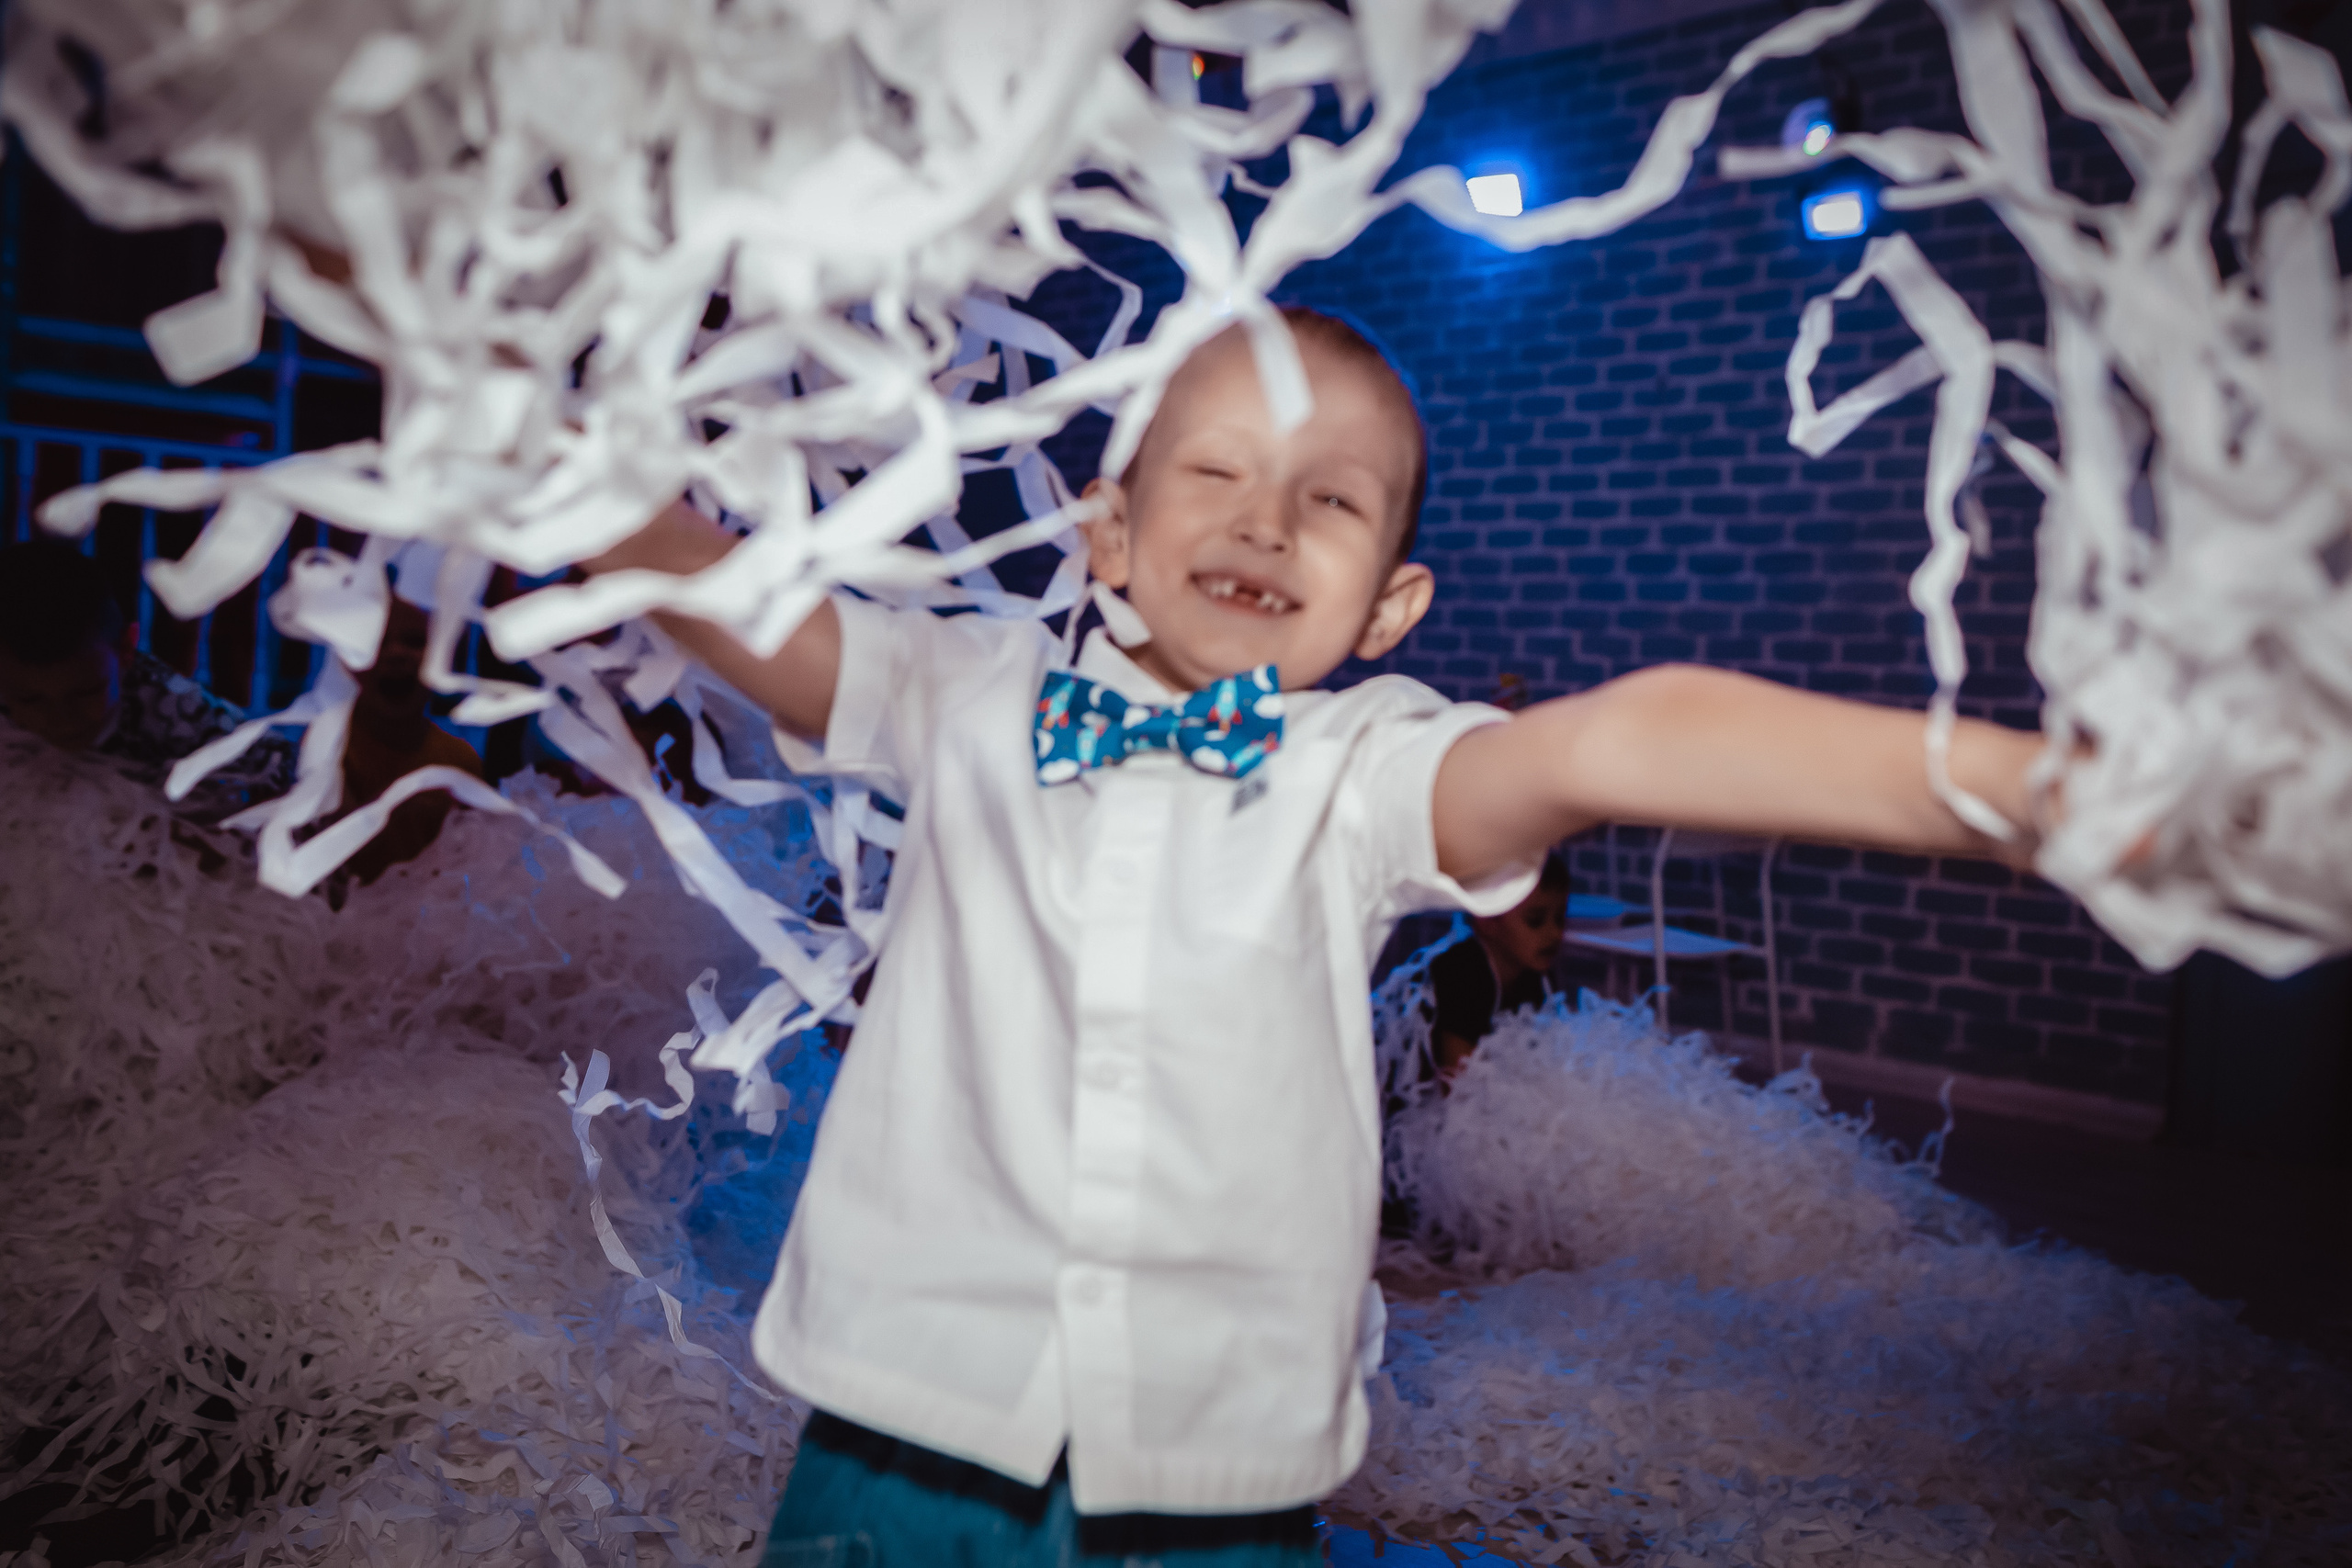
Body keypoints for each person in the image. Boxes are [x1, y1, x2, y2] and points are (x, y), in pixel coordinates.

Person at [585, 307, 2043, 1565]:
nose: (1265, 517)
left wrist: (2044, 791)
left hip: (1215, 1473)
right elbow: (736, 600)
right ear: (1108, 527)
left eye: (1333, 500)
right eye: (1214, 469)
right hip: (902, 1425)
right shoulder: (962, 687)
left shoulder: (1364, 767)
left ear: (1390, 605)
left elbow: (1614, 740)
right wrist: (557, 467)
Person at [0, 536, 294, 826]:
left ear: (127, 649)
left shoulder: (176, 713)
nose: (61, 721)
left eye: (86, 693)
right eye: (30, 699)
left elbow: (280, 763)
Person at [336, 597, 485, 885]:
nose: (396, 653)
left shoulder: (458, 760)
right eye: (377, 642)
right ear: (348, 662)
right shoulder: (330, 754)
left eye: (415, 641)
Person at [1425, 855, 1570, 1079]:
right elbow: (1457, 1083)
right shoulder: (1463, 972)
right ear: (1488, 920)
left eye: (1559, 919)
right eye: (1535, 920)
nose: (1554, 934)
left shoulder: (1536, 976)